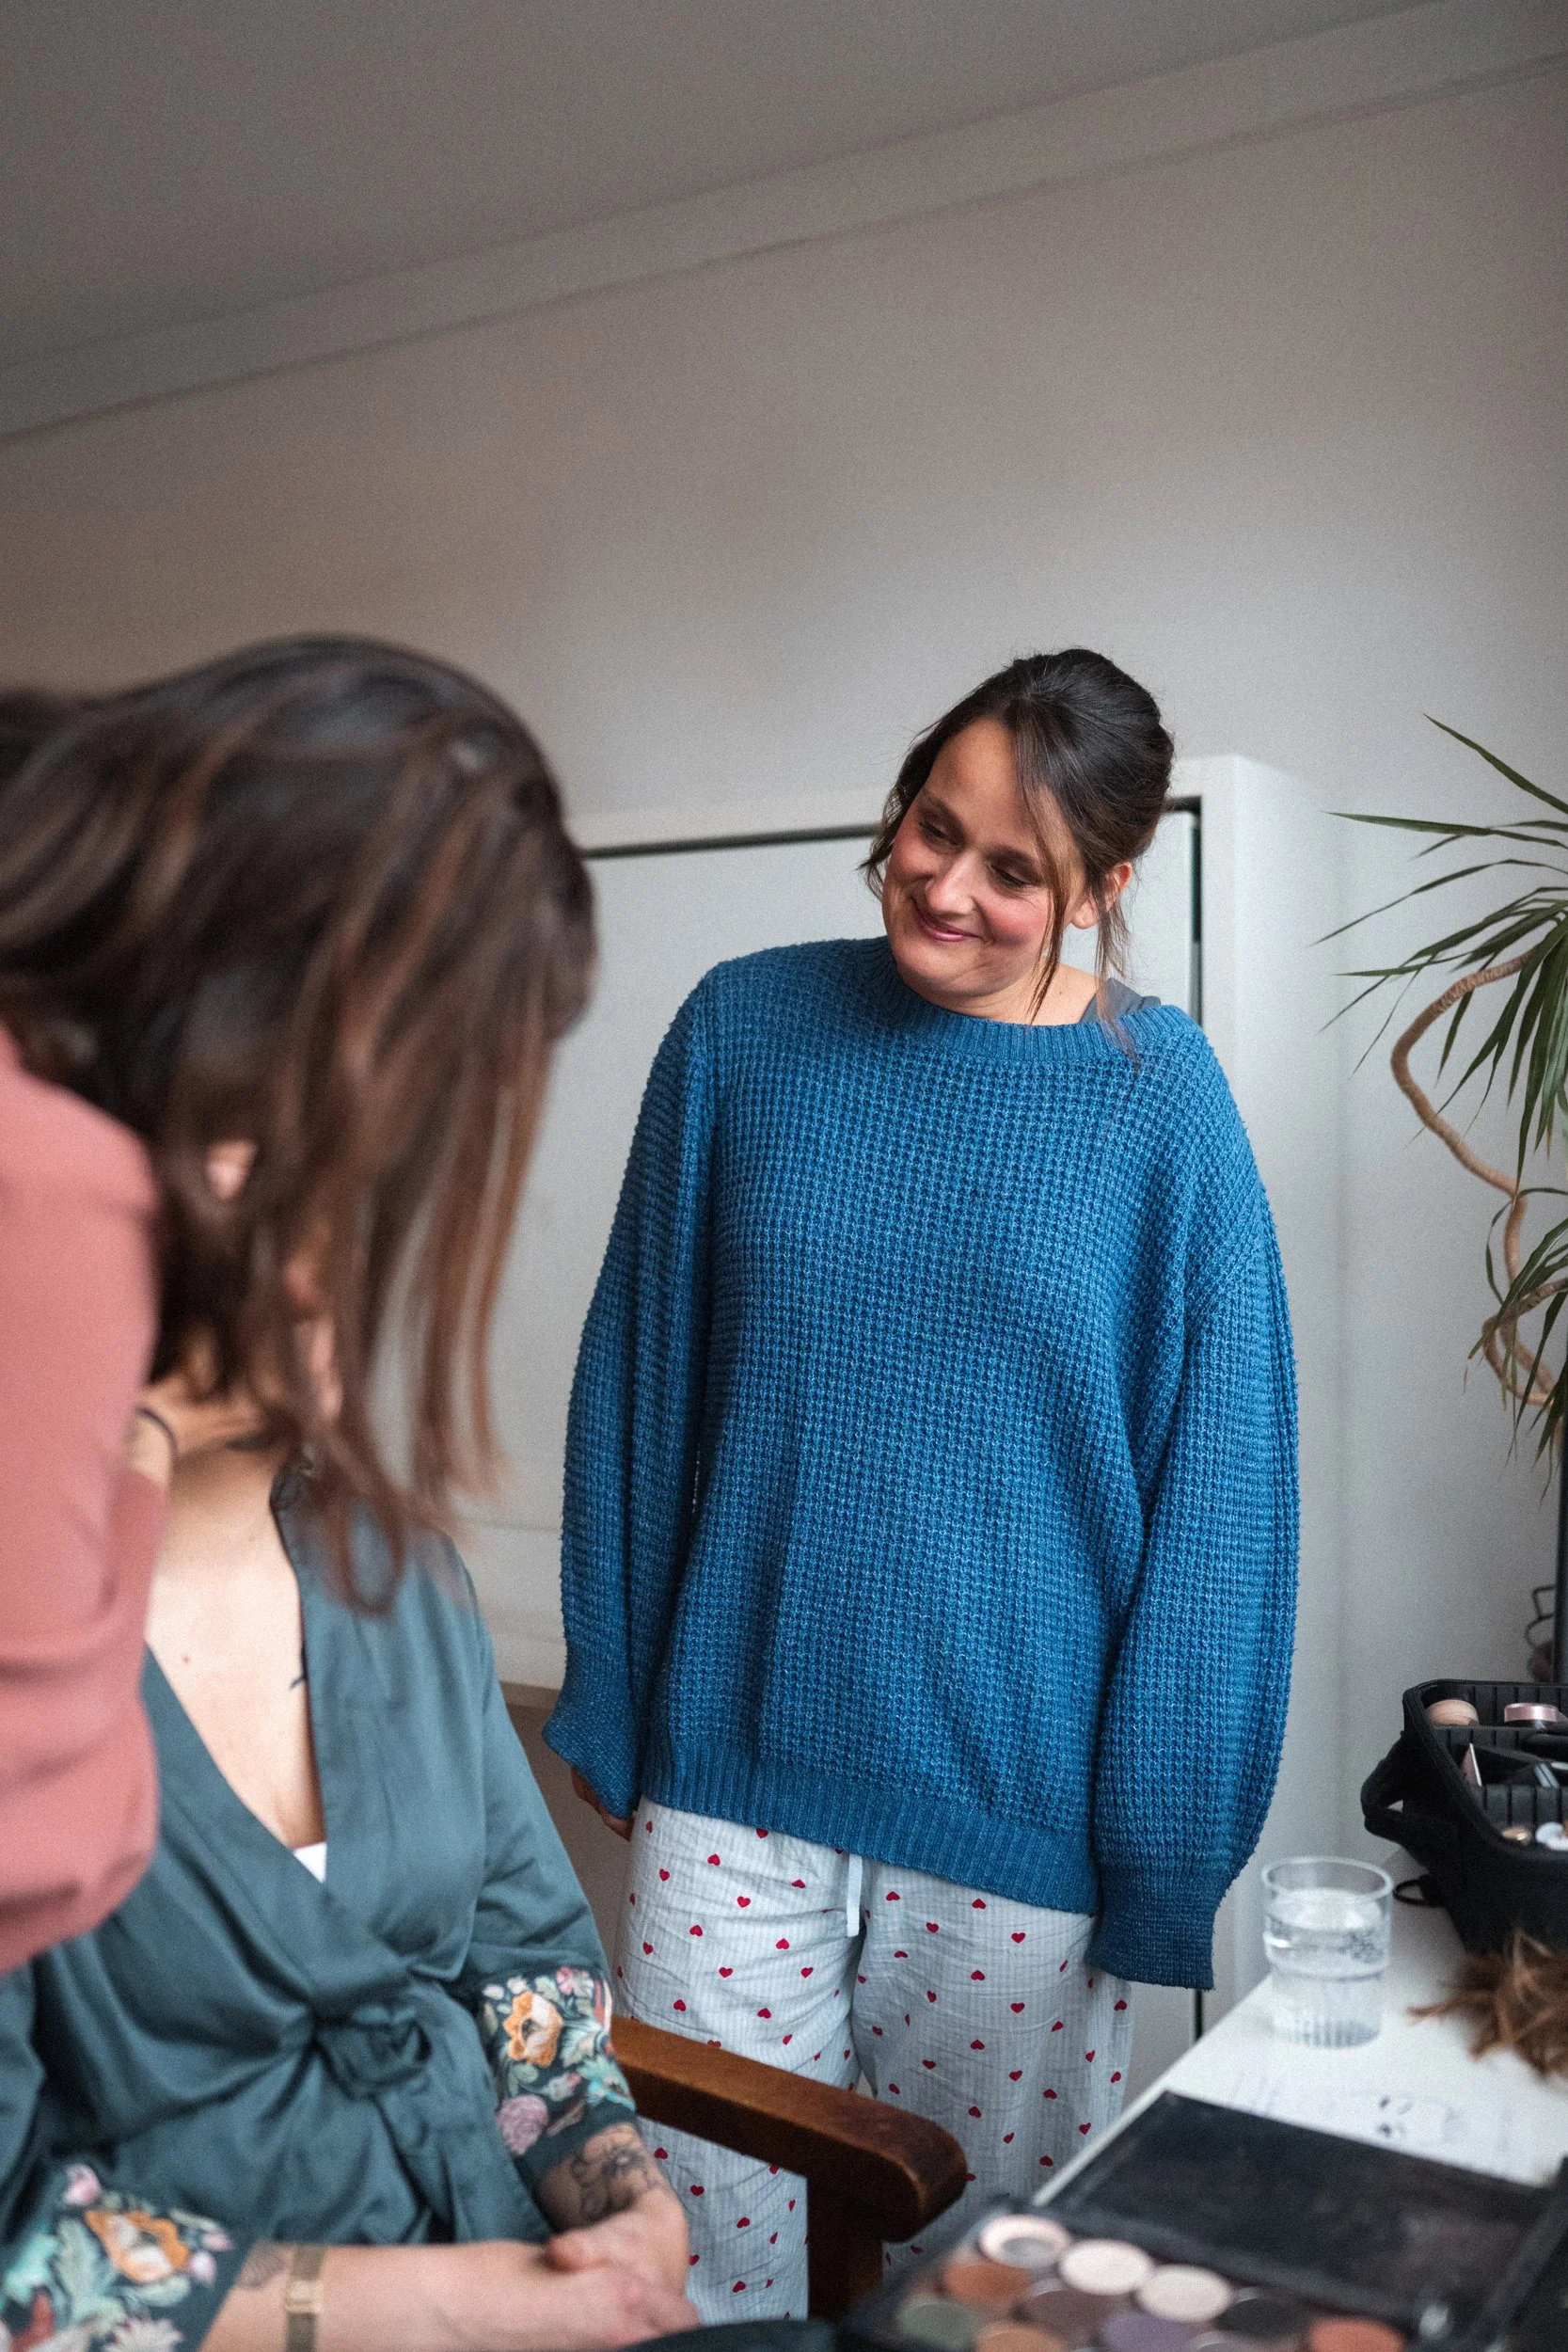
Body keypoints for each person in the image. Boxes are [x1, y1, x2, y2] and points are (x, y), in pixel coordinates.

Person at [548, 648, 1298, 2317]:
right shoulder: (744, 1027)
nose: (944, 887)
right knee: (694, 2284)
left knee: (973, 2305)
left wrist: (1162, 1858)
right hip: (729, 1790)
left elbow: (1222, 1508)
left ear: (1104, 887)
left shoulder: (1159, 1107)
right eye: (927, 828)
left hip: (1019, 1844)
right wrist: (614, 1693)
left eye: (1011, 871)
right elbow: (643, 1376)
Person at [0, 641, 695, 2352]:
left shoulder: (381, 1558)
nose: (354, 1260)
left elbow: (525, 1960)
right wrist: (474, 2312)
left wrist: (612, 2192)